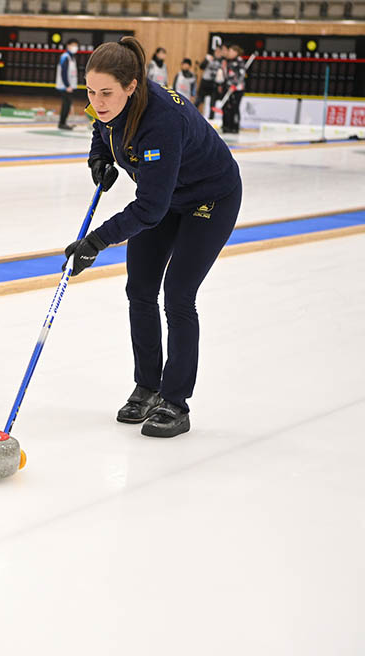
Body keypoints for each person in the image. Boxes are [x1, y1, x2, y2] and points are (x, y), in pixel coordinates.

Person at [67, 36, 242, 438]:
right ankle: (147, 386)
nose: (98, 100)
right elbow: (101, 125)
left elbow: (149, 209)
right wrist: (99, 157)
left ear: (132, 86)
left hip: (210, 197)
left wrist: (95, 242)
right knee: (140, 290)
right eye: (91, 91)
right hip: (167, 196)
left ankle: (175, 402)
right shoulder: (107, 100)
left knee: (179, 295)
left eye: (107, 92)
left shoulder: (161, 120)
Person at [221, 44, 246, 134]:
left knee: (235, 107)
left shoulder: (239, 61)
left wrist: (235, 84)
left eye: (231, 51)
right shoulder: (227, 61)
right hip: (228, 88)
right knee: (227, 107)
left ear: (236, 52)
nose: (229, 53)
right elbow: (226, 75)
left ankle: (235, 127)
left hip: (237, 89)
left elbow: (241, 75)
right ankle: (227, 126)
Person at [54, 38, 79, 131]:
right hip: (65, 86)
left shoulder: (72, 57)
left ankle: (64, 122)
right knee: (66, 104)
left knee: (68, 104)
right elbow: (63, 72)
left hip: (69, 86)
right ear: (68, 46)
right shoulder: (65, 57)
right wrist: (67, 85)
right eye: (73, 45)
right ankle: (62, 123)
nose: (75, 47)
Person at [195, 49, 218, 115]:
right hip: (205, 82)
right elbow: (201, 67)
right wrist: (206, 60)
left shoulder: (222, 60)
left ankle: (211, 118)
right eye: (217, 51)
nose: (218, 53)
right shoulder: (210, 58)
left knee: (212, 103)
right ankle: (193, 114)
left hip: (214, 83)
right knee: (199, 100)